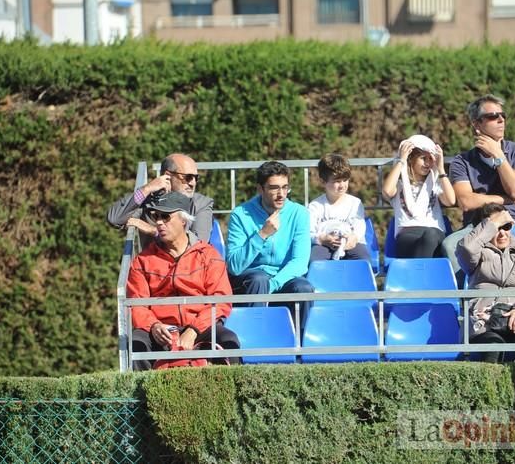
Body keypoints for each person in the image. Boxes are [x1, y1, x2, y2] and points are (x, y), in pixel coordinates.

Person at [126, 191, 239, 371]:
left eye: (166, 217)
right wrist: (154, 326)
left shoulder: (208, 256)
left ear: (184, 221)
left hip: (200, 326)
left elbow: (221, 300)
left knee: (229, 341)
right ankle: (142, 398)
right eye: (156, 217)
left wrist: (194, 330)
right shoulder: (142, 261)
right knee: (137, 343)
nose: (160, 222)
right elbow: (136, 304)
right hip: (160, 329)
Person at [443, 94, 515, 284]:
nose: (501, 120)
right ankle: (462, 306)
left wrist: (499, 156)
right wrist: (508, 200)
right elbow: (466, 202)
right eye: (493, 116)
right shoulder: (462, 161)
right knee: (451, 245)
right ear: (477, 124)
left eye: (503, 115)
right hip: (480, 225)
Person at [456, 203, 515, 363]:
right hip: (485, 321)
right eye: (497, 228)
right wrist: (493, 223)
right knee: (494, 346)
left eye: (506, 226)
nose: (502, 233)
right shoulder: (477, 255)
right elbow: (467, 249)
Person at [226, 161, 314, 320]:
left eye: (285, 187)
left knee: (303, 287)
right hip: (251, 280)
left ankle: (300, 342)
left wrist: (273, 284)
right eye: (274, 188)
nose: (281, 194)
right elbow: (234, 266)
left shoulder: (299, 213)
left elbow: (299, 263)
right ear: (260, 189)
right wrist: (262, 235)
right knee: (259, 279)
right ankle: (253, 338)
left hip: (282, 279)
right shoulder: (240, 214)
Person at [107, 153, 214, 246]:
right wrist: (147, 189)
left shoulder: (202, 204)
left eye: (196, 178)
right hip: (152, 267)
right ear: (168, 176)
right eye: (188, 177)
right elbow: (115, 219)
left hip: (190, 268)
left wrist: (154, 231)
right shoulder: (149, 201)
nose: (193, 183)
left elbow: (199, 244)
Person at [381, 134, 455, 258]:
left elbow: (451, 201)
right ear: (411, 159)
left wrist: (441, 169)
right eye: (423, 158)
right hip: (407, 235)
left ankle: (417, 275)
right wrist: (401, 160)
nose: (427, 163)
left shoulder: (435, 185)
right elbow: (387, 191)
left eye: (430, 159)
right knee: (425, 239)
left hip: (434, 233)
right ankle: (422, 274)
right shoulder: (399, 186)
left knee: (430, 235)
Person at [308, 154, 370, 262]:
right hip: (324, 245)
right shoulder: (315, 206)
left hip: (350, 243)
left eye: (345, 180)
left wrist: (353, 238)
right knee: (315, 261)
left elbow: (359, 227)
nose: (342, 185)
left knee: (364, 260)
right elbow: (309, 232)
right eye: (336, 181)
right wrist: (322, 239)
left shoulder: (355, 203)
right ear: (323, 182)